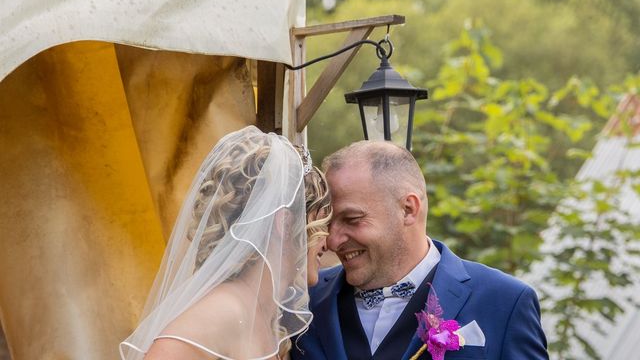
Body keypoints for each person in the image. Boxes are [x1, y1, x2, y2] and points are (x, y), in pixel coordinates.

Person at [291, 140, 548, 360]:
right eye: (328, 222)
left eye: (352, 219)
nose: (333, 241)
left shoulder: (505, 302)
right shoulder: (303, 299)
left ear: (408, 209)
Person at [120, 126, 331, 360]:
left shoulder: (261, 316)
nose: (327, 242)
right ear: (286, 224)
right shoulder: (217, 315)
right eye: (320, 222)